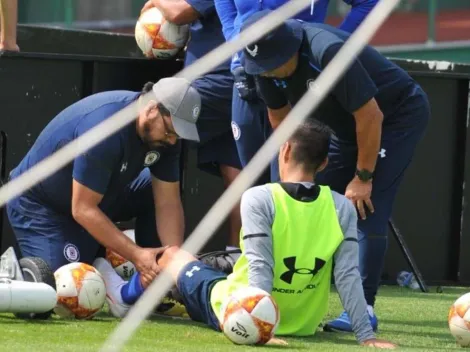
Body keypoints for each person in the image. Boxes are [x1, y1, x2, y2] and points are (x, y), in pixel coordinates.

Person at [94, 120, 397, 349]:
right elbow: (347, 274)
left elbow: (260, 266)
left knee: (172, 255)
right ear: (325, 164)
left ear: (285, 150)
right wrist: (366, 336)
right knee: (210, 265)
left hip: (239, 312)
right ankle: (158, 292)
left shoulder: (260, 197)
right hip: (301, 326)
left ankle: (122, 295)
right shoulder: (341, 206)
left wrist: (262, 326)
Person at [239, 10, 430, 333]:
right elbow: (282, 123)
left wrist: (363, 177)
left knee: (365, 205)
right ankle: (269, 300)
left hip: (394, 116)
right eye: (262, 67)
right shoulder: (261, 63)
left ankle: (364, 308)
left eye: (273, 63)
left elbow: (371, 116)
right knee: (291, 193)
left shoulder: (326, 51)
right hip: (343, 127)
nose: (267, 72)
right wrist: (287, 183)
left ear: (289, 48)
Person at [6, 78, 201, 287]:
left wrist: (176, 260)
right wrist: (136, 255)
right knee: (64, 287)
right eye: (170, 131)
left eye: (178, 135)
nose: (172, 141)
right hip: (40, 205)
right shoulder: (104, 127)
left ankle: (149, 271)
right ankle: (8, 271)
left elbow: (168, 201)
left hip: (99, 195)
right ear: (152, 108)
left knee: (149, 187)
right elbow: (82, 208)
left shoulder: (167, 138)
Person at [213, 0, 379, 182]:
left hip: (299, 78)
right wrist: (237, 46)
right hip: (246, 73)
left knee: (293, 182)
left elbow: (369, 2)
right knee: (253, 183)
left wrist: (336, 39)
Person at [140, 0, 244, 251]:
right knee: (234, 169)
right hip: (229, 79)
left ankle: (149, 245)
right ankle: (238, 255)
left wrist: (155, 1)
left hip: (220, 80)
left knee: (152, 119)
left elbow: (178, 13)